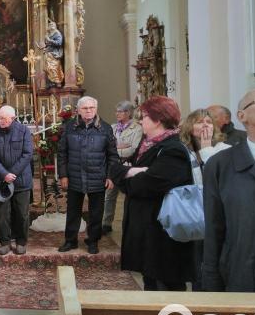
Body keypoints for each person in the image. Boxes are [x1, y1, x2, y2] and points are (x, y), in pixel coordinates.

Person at [111, 96, 194, 291]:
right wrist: (132, 172)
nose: (141, 121)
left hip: (161, 229)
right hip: (145, 225)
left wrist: (130, 174)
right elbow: (116, 170)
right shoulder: (149, 144)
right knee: (150, 280)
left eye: (145, 117)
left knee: (166, 283)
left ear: (158, 120)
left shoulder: (173, 149)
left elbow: (146, 185)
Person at [202, 88, 255, 292]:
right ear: (241, 116)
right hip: (243, 275)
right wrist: (211, 280)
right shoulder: (221, 165)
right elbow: (214, 226)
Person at [57, 96, 120, 254]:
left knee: (96, 213)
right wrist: (63, 175)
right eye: (85, 108)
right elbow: (62, 153)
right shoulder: (69, 127)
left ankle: (93, 241)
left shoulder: (105, 128)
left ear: (96, 109)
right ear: (78, 110)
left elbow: (112, 155)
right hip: (75, 175)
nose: (89, 111)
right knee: (73, 211)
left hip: (97, 176)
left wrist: (110, 176)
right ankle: (70, 241)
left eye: (92, 108)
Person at [179, 108, 232, 291]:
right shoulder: (183, 150)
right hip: (193, 212)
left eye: (208, 122)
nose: (205, 125)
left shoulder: (224, 149)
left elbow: (218, 176)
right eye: (200, 122)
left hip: (218, 211)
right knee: (196, 261)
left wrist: (207, 146)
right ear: (189, 126)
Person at [0, 105, 34, 255]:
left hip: (21, 179)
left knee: (22, 213)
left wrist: (12, 173)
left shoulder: (24, 131)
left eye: (4, 119)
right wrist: (4, 174)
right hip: (1, 180)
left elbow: (28, 154)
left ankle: (21, 241)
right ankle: (5, 242)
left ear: (13, 118)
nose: (0, 121)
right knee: (2, 214)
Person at [102, 100, 143, 235]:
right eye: (117, 111)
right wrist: (118, 147)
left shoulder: (137, 128)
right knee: (109, 196)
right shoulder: (112, 127)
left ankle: (129, 224)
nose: (117, 114)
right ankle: (106, 223)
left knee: (129, 197)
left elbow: (133, 149)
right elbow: (105, 147)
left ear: (129, 113)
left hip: (127, 167)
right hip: (113, 167)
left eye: (120, 111)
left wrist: (114, 149)